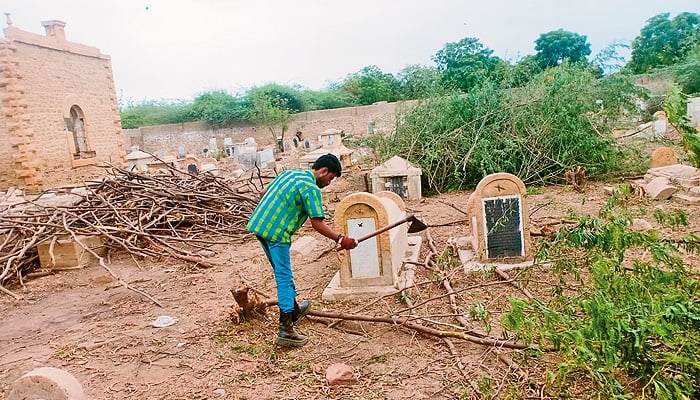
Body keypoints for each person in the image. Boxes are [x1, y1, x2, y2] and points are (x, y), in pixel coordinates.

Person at [246, 153, 358, 347]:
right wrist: (341, 239)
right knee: (284, 276)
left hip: (259, 226)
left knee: (281, 272)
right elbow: (317, 223)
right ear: (323, 171)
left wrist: (281, 207)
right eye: (330, 178)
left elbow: (264, 192)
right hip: (277, 234)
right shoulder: (311, 188)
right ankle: (286, 329)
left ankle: (295, 309)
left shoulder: (290, 174)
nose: (329, 183)